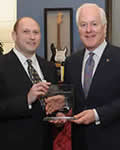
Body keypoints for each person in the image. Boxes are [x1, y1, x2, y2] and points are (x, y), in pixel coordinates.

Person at [0, 17, 65, 150]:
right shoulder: (2, 65)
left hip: (45, 143)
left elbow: (52, 104)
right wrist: (27, 100)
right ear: (14, 35)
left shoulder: (49, 67)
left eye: (36, 32)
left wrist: (58, 115)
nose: (32, 37)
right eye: (26, 32)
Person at [63, 3, 120, 150]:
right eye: (83, 25)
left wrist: (97, 114)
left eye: (94, 24)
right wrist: (60, 109)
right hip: (80, 143)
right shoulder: (71, 62)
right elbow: (71, 100)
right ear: (78, 29)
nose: (88, 30)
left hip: (112, 142)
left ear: (105, 28)